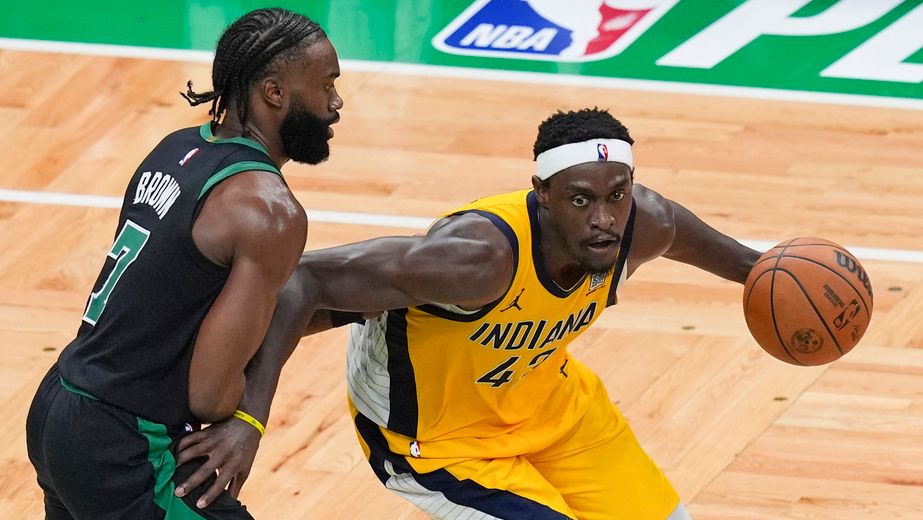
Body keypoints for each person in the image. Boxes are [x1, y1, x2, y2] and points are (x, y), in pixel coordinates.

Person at [178, 108, 762, 519]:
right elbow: (303, 282)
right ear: (542, 194)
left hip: (552, 411)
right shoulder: (476, 259)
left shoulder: (645, 225)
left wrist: (808, 285)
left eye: (618, 194)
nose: (605, 218)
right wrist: (247, 418)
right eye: (582, 199)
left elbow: (757, 270)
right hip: (434, 441)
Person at [24, 7, 343, 519]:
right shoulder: (269, 210)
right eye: (326, 84)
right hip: (123, 443)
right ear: (275, 93)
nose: (336, 102)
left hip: (59, 404)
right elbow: (211, 396)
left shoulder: (174, 149)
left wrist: (330, 311)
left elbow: (171, 309)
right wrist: (250, 418)